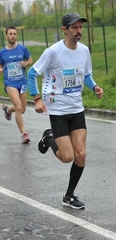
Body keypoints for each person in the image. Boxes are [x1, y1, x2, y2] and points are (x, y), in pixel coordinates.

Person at [27, 12, 103, 209]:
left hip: (76, 108)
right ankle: (48, 136)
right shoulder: (53, 52)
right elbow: (32, 73)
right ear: (65, 30)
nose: (79, 31)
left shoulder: (84, 50)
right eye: (74, 28)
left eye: (80, 27)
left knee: (81, 154)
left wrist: (94, 87)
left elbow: (86, 75)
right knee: (67, 157)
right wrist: (36, 99)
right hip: (58, 110)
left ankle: (69, 196)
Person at [0, 26, 33, 144]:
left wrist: (25, 63)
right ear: (6, 35)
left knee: (22, 109)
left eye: (14, 34)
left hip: (22, 82)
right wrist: (0, 69)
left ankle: (8, 109)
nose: (13, 36)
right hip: (10, 82)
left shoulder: (22, 49)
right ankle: (24, 134)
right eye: (10, 34)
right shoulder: (2, 52)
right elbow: (1, 65)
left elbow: (30, 60)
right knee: (18, 107)